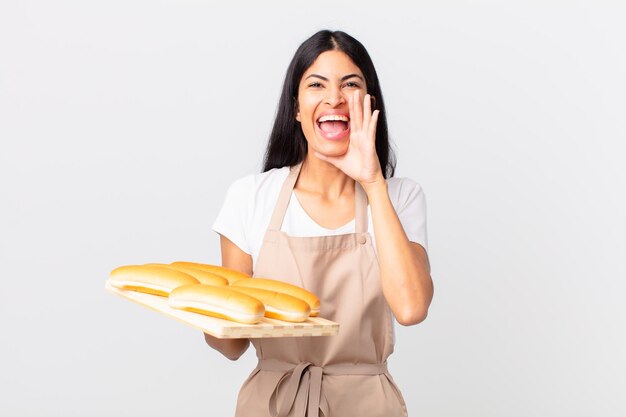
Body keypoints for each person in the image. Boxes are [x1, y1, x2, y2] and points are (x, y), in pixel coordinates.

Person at [208, 29, 433, 417]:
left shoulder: (399, 196)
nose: (334, 98)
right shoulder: (251, 197)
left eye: (350, 85)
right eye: (316, 84)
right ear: (295, 107)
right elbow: (230, 346)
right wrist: (204, 307)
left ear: (369, 104)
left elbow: (411, 308)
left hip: (367, 405)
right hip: (273, 402)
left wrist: (373, 182)